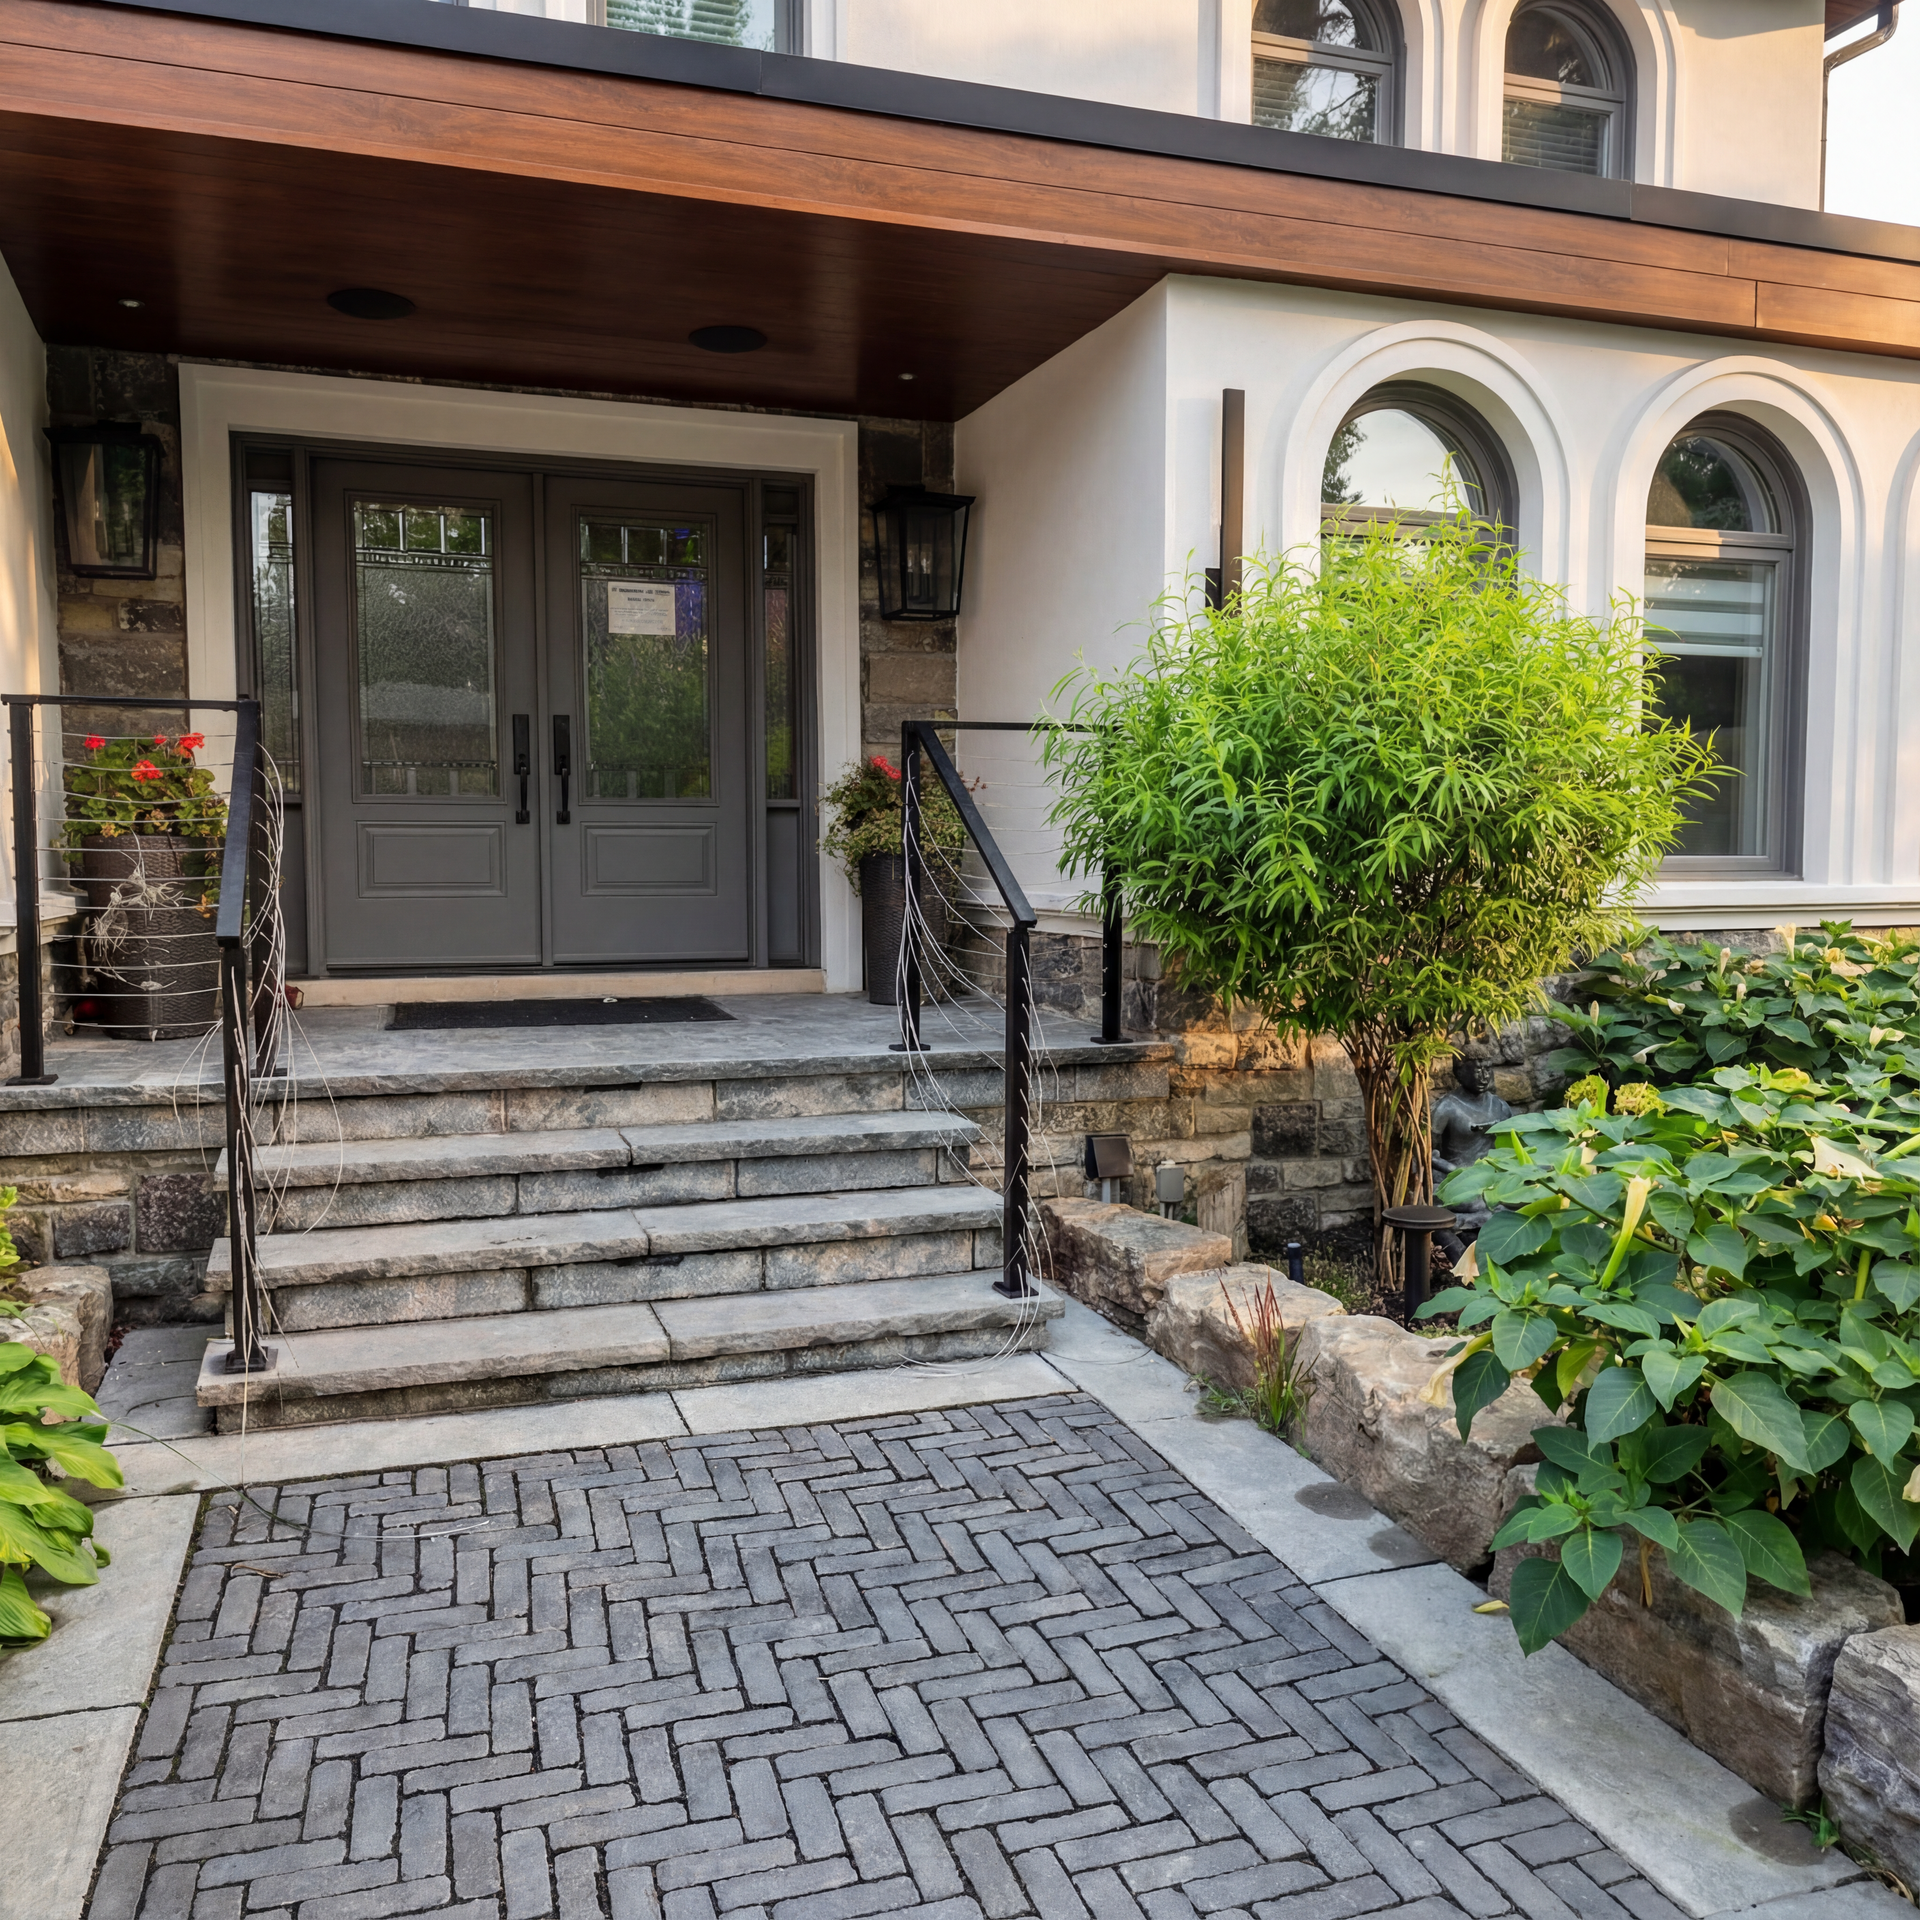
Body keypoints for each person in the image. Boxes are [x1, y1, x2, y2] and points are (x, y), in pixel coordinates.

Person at [1431, 1051, 1512, 1240]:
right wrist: (1456, 1172)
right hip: (1459, 1180)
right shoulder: (1446, 1108)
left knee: (1520, 1195)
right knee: (1478, 1203)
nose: (1484, 1076)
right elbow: (1427, 1156)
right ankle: (1469, 1219)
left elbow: (1514, 1147)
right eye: (1477, 1071)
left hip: (1493, 1179)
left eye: (1487, 1069)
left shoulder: (1500, 1106)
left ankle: (1474, 1218)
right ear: (1460, 1073)